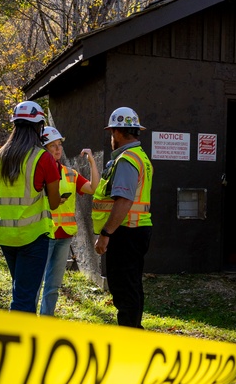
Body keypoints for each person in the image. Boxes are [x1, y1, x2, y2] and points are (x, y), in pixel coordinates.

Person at [0, 101, 60, 313]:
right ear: (39, 127)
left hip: (7, 237)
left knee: (20, 291)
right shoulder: (43, 158)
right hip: (33, 238)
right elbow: (54, 203)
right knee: (23, 300)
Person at [93, 107, 153, 329]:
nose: (111, 138)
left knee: (124, 289)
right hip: (135, 230)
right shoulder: (140, 157)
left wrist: (106, 233)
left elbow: (124, 201)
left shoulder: (127, 160)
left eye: (111, 133)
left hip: (126, 231)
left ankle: (130, 336)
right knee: (132, 286)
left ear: (117, 132)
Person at [38, 125, 100, 316]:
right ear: (43, 149)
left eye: (59, 145)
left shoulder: (70, 173)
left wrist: (92, 162)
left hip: (64, 235)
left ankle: (46, 320)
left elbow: (92, 188)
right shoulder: (37, 172)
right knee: (36, 283)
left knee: (53, 285)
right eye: (52, 146)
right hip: (44, 234)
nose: (57, 149)